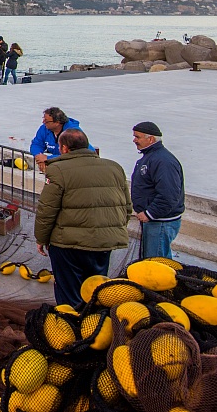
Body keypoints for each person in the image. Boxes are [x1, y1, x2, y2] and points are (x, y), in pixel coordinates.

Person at [34, 128, 132, 308]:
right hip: (103, 244)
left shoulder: (57, 170)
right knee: (95, 288)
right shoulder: (114, 168)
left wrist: (41, 238)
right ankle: (94, 324)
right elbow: (127, 207)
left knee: (69, 293)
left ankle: (71, 327)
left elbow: (47, 210)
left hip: (68, 246)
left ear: (63, 148)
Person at [130, 122, 185, 259]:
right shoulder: (151, 157)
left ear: (151, 139)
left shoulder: (163, 161)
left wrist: (149, 213)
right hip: (154, 221)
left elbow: (169, 195)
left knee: (155, 265)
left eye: (138, 137)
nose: (134, 140)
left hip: (160, 223)